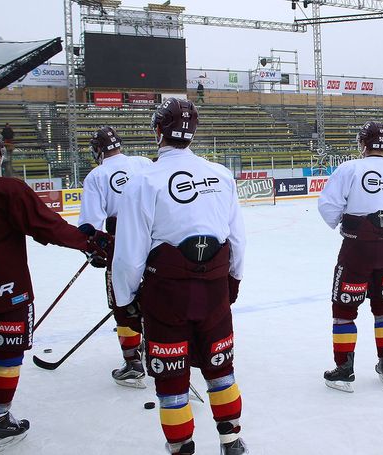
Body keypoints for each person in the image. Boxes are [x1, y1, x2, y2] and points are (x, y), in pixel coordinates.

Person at [0, 128, 111, 451]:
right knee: (7, 356)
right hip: (10, 294)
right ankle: (0, 418)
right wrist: (88, 241)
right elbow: (47, 225)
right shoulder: (7, 190)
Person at [112, 98, 247, 455]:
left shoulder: (143, 180)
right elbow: (237, 239)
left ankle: (181, 447)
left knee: (171, 377)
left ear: (158, 130)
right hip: (215, 289)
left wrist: (124, 302)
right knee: (220, 366)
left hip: (166, 293)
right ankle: (231, 441)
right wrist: (233, 280)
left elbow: (128, 255)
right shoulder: (221, 175)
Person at [317, 121, 383, 392]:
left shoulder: (349, 168)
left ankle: (344, 368)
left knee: (344, 309)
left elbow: (328, 207)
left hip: (356, 249)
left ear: (362, 142)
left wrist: (349, 224)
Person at [78, 126, 152, 388]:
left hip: (121, 245)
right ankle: (163, 354)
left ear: (97, 150)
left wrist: (93, 252)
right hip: (154, 242)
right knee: (155, 297)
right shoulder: (143, 162)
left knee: (123, 301)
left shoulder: (97, 176)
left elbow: (91, 222)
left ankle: (133, 364)